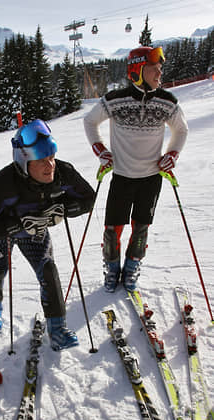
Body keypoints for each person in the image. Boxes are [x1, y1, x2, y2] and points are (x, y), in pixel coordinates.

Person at [0, 119, 95, 350]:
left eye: (52, 157)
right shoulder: (1, 184)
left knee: (48, 269)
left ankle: (57, 329)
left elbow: (88, 198)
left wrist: (62, 209)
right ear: (24, 160)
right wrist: (17, 225)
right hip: (1, 231)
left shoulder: (62, 172)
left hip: (35, 229)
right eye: (41, 161)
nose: (50, 166)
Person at [84, 46, 188, 292]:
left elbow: (181, 130)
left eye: (160, 69)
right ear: (138, 70)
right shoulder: (114, 99)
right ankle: (112, 269)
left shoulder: (167, 101)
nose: (160, 74)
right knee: (112, 229)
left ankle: (131, 267)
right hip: (122, 176)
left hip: (151, 178)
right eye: (155, 69)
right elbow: (90, 121)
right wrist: (100, 150)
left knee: (141, 228)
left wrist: (172, 153)